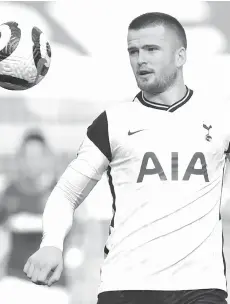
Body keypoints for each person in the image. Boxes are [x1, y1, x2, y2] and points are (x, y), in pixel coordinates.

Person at [23, 12, 230, 304]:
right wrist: (52, 244)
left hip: (201, 288)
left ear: (181, 56)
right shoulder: (112, 122)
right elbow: (66, 193)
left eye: (151, 49)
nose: (140, 59)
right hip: (127, 287)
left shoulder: (220, 118)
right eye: (133, 51)